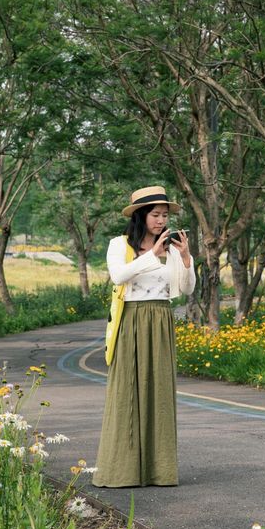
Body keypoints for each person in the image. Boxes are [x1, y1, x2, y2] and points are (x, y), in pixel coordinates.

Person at [92, 185, 195, 487]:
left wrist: (186, 259)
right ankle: (122, 471)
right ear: (140, 215)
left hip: (161, 319)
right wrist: (152, 254)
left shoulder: (172, 248)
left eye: (164, 215)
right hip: (131, 320)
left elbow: (186, 289)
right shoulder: (119, 244)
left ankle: (158, 470)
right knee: (127, 391)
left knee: (159, 393)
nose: (161, 221)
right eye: (155, 215)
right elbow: (119, 276)